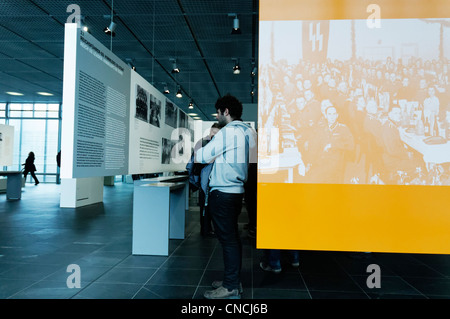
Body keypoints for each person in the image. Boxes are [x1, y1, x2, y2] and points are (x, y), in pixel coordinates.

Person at [196, 94, 257, 299]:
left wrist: (210, 143)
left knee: (228, 240)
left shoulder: (227, 132)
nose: (217, 116)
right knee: (232, 239)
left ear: (226, 112)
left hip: (223, 192)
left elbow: (202, 156)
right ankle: (232, 280)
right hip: (237, 190)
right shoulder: (250, 131)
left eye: (218, 112)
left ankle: (230, 286)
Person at [186, 123, 221, 237]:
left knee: (207, 205)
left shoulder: (204, 142)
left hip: (205, 179)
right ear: (210, 131)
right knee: (205, 205)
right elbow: (197, 160)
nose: (214, 135)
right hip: (204, 179)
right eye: (214, 132)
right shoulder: (204, 143)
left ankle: (207, 229)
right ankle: (206, 229)